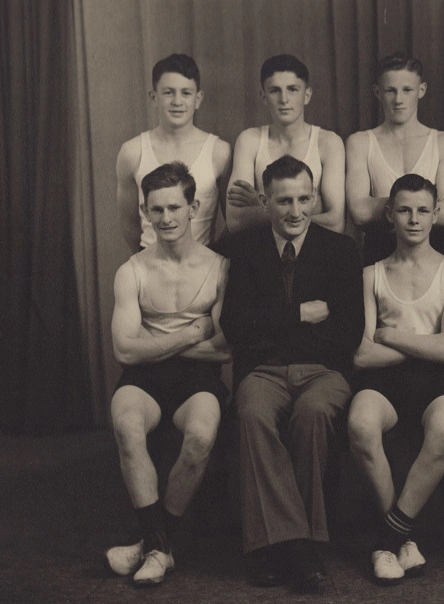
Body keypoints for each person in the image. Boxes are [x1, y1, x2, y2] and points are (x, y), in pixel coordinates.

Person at [219, 155, 363, 593]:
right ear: (265, 201)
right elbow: (234, 327)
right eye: (283, 201)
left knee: (314, 415)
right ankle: (298, 548)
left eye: (304, 198)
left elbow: (347, 330)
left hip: (323, 372)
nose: (295, 211)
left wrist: (273, 327)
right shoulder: (242, 249)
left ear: (315, 197)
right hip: (262, 372)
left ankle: (281, 544)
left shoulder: (341, 250)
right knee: (253, 415)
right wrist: (298, 315)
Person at [104, 162, 231, 586]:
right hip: (145, 381)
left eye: (174, 207)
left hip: (198, 377)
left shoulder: (220, 268)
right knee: (126, 424)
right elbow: (123, 349)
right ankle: (161, 548)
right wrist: (194, 331)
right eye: (156, 210)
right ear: (145, 211)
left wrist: (155, 345)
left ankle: (154, 545)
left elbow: (225, 349)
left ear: (193, 206)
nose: (166, 219)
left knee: (200, 436)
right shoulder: (133, 271)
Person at [348, 174, 444, 584]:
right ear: (389, 215)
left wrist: (392, 335)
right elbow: (363, 354)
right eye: (404, 210)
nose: (413, 219)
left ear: (436, 215)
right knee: (361, 425)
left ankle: (388, 539)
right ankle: (404, 541)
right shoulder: (370, 274)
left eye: (422, 210)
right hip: (384, 379)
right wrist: (424, 343)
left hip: (439, 381)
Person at [346, 51, 444, 265]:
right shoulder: (360, 142)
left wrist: (386, 207)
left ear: (421, 90)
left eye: (407, 90)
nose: (398, 99)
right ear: (378, 92)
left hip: (431, 253)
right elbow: (359, 213)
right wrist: (423, 207)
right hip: (378, 253)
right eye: (390, 90)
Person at [116, 54, 231, 252]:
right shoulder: (132, 152)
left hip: (203, 265)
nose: (177, 101)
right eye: (168, 93)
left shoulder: (219, 151)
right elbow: (130, 225)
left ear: (198, 98)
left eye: (186, 93)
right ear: (154, 97)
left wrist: (208, 258)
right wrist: (151, 260)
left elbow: (233, 220)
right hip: (150, 266)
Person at [226, 54, 345, 234]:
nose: (284, 99)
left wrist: (260, 204)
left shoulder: (328, 142)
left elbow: (335, 223)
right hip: (263, 249)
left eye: (292, 89)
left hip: (314, 251)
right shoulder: (249, 140)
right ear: (264, 96)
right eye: (275, 90)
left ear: (307, 95)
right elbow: (235, 221)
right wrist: (315, 205)